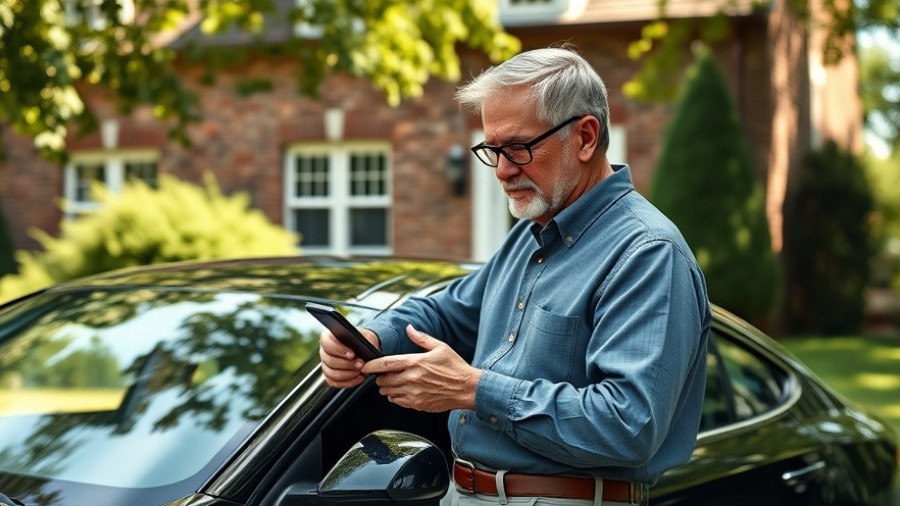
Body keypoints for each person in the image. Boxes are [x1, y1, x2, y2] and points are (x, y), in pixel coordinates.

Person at [319, 44, 711, 506]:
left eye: (519, 148)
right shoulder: (531, 236)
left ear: (586, 137)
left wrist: (472, 390)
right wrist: (370, 336)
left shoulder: (646, 253)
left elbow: (626, 425)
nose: (502, 171)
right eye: (492, 149)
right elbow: (448, 313)